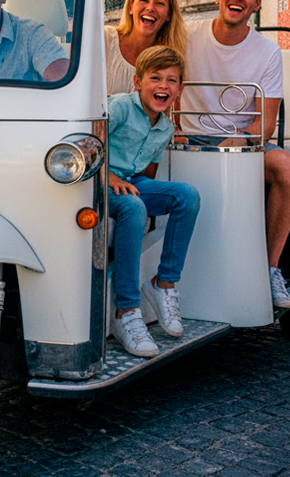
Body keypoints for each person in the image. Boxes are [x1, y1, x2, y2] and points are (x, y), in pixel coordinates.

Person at [179, 0, 290, 310]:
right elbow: (161, 84)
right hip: (184, 140)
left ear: (257, 4)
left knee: (289, 170)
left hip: (242, 144)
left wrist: (238, 140)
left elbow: (265, 124)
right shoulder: (186, 35)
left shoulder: (267, 51)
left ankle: (269, 269)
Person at [108, 46, 200, 357]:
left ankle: (163, 283)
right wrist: (109, 177)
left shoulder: (164, 128)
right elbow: (84, 141)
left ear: (180, 89)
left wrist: (140, 188)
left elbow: (146, 172)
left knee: (187, 196)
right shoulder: (120, 107)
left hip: (132, 182)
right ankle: (127, 312)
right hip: (97, 181)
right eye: (155, 78)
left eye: (171, 80)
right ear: (137, 82)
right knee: (134, 207)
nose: (163, 86)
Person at [105, 0, 187, 95]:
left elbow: (170, 109)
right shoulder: (106, 39)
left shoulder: (169, 59)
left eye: (160, 3)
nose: (151, 8)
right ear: (130, 7)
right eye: (144, 0)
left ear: (169, 14)